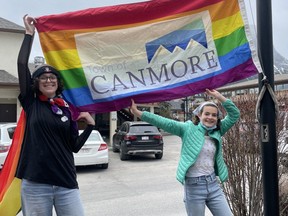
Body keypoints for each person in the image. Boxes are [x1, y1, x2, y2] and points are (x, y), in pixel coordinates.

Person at [16, 14, 95, 216]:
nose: (48, 80)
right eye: (43, 77)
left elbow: (74, 147)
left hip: (66, 183)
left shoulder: (66, 109)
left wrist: (90, 127)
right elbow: (22, 65)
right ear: (36, 83)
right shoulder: (31, 103)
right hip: (35, 184)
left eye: (52, 77)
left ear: (58, 83)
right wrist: (29, 34)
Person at [130, 89, 240, 216]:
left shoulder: (218, 130)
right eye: (207, 114)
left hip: (213, 184)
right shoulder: (187, 128)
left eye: (214, 115)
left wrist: (218, 96)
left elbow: (234, 114)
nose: (210, 117)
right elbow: (164, 122)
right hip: (194, 187)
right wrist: (138, 113)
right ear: (199, 115)